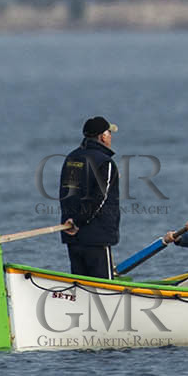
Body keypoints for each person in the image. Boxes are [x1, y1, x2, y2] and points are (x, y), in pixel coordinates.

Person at [58, 116, 120, 279]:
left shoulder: (71, 158)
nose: (111, 137)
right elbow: (99, 199)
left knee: (81, 287)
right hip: (96, 237)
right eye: (109, 133)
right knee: (104, 288)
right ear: (102, 137)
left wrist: (70, 221)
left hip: (72, 235)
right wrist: (79, 222)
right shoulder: (105, 162)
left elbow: (65, 195)